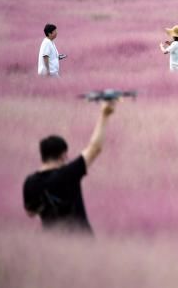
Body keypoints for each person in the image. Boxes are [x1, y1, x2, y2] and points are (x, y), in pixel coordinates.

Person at [23, 100, 118, 234]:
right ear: (63, 155)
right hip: (81, 242)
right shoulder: (68, 173)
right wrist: (104, 115)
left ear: (42, 155)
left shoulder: (30, 182)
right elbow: (95, 148)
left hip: (53, 244)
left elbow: (31, 212)